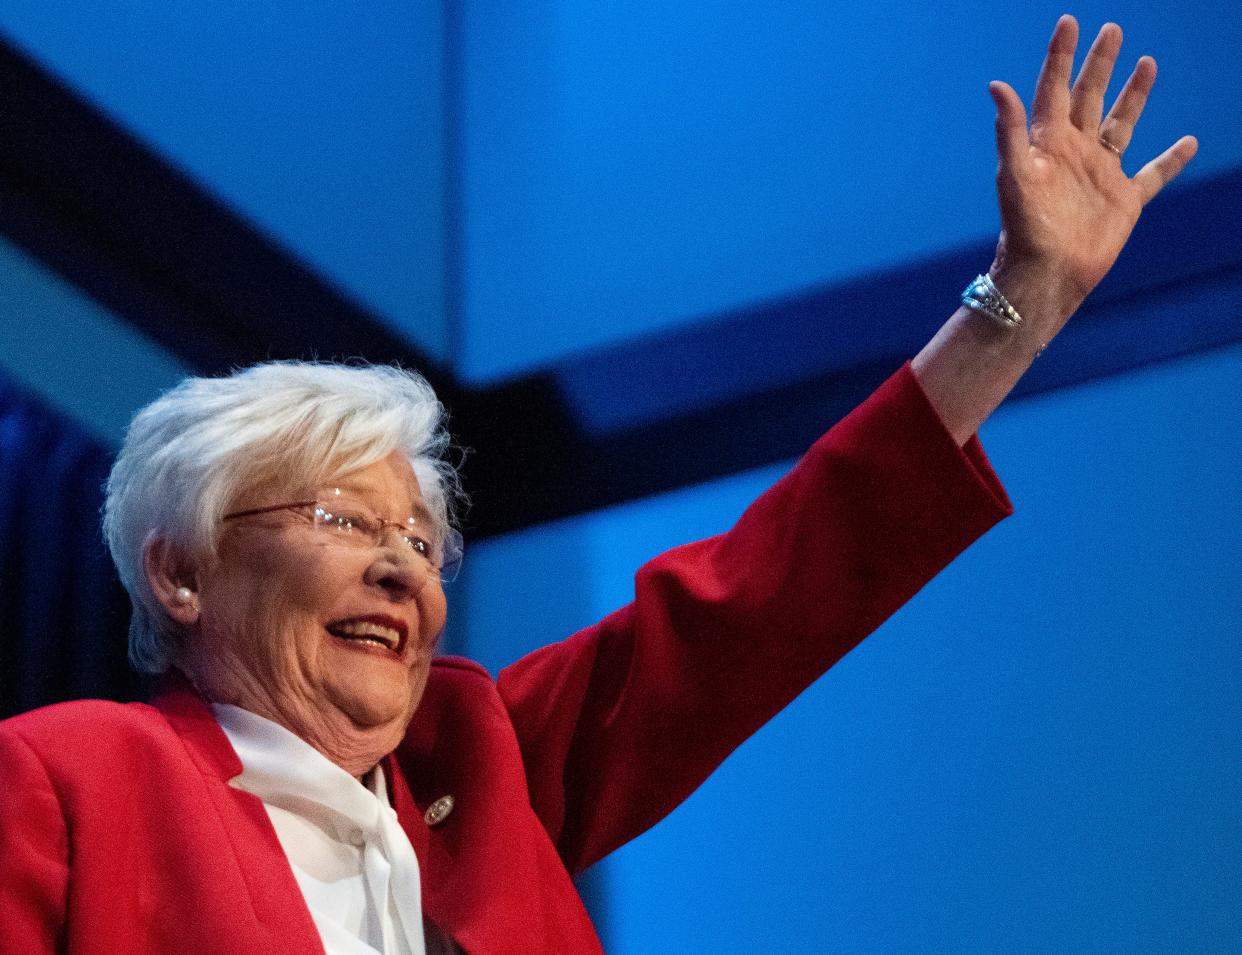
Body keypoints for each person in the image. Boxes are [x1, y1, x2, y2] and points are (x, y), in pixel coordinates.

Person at [0, 15, 1196, 955]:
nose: (400, 569)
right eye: (342, 519)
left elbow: (755, 605)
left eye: (421, 544)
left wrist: (1018, 306)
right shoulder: (68, 778)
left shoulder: (479, 771)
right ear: (182, 567)